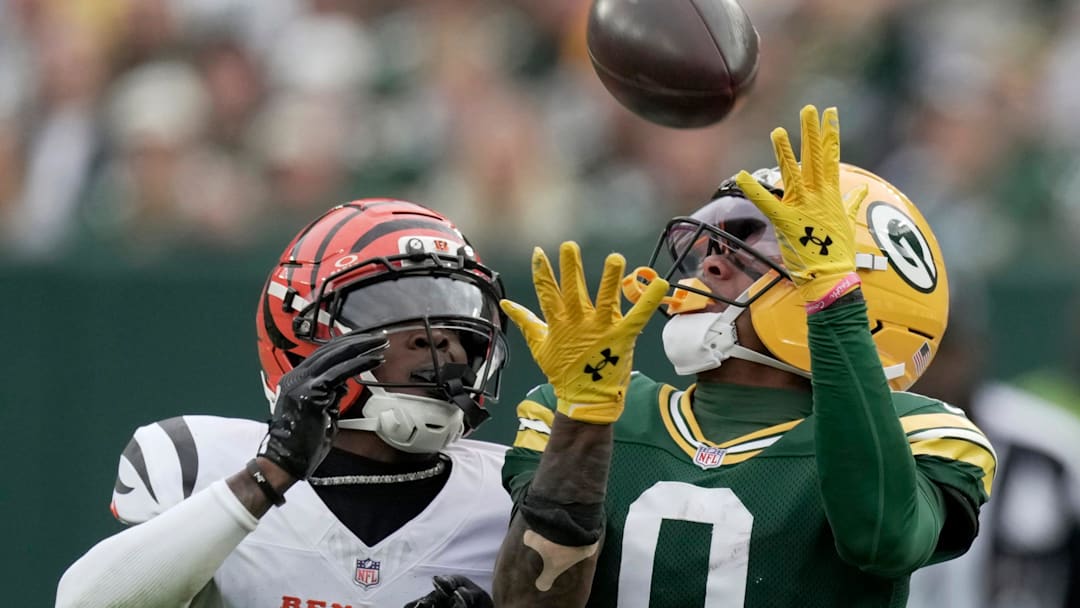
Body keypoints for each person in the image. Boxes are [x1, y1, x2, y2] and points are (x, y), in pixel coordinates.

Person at [491, 106, 997, 606]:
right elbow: (524, 604)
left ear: (858, 283)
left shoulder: (924, 432)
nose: (708, 264)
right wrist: (582, 424)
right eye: (714, 245)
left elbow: (882, 541)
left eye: (750, 247)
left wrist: (832, 300)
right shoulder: (601, 414)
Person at [56, 200, 510, 608]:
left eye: (458, 318)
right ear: (300, 326)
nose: (444, 342)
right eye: (395, 305)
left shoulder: (509, 493)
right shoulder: (195, 459)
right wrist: (270, 473)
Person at [907, 288, 1080, 608]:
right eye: (911, 347)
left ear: (976, 348)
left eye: (940, 348)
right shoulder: (835, 448)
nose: (927, 366)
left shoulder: (1048, 445)